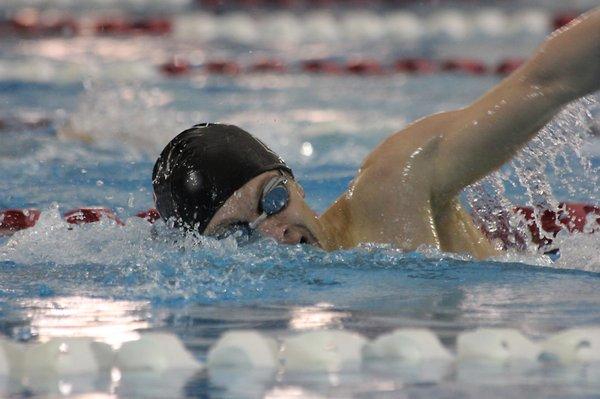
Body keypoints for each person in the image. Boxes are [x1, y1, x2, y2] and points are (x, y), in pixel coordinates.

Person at [153, 8, 600, 259]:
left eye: (272, 201)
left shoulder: (396, 182)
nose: (278, 233)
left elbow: (545, 83)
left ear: (294, 182)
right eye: (238, 235)